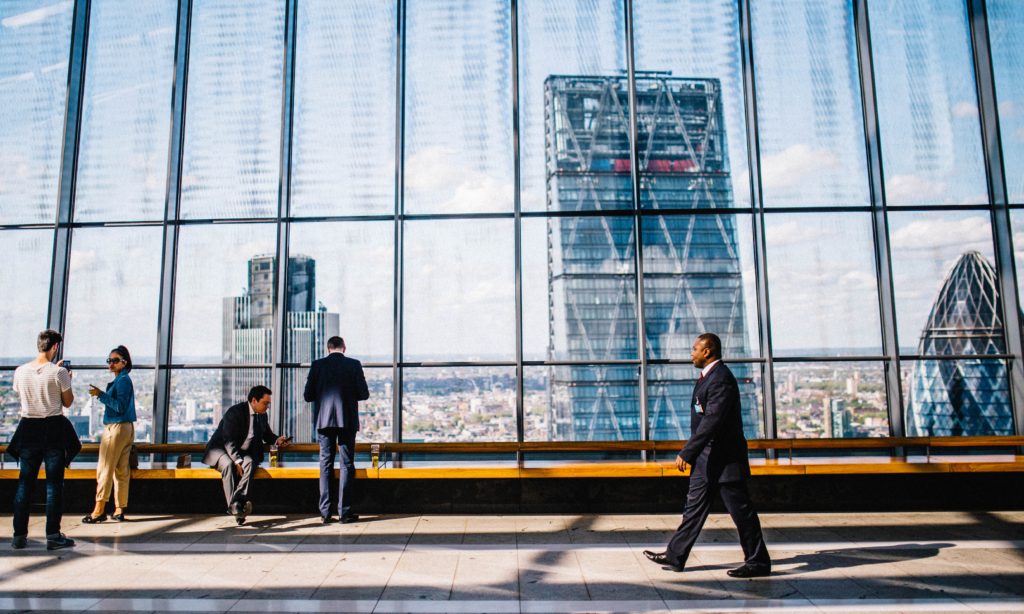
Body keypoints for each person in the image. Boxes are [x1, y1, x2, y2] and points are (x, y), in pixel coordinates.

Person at [643, 333, 772, 577]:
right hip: (707, 461)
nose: (691, 353)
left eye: (694, 349)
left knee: (741, 513)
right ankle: (675, 555)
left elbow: (712, 421)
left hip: (724, 461)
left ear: (708, 351)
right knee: (693, 509)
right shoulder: (708, 378)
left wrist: (688, 451)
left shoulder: (720, 379)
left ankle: (758, 562)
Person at [8, 329, 79, 550]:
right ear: (55, 347)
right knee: (54, 485)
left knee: (24, 484)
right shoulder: (59, 373)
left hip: (28, 428)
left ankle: (19, 535)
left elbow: (21, 392)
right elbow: (67, 402)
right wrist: (66, 378)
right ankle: (53, 535)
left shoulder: (20, 372)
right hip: (52, 429)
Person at [303, 336, 369, 524]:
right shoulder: (354, 365)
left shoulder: (317, 365)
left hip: (324, 420)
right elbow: (364, 394)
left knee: (325, 463)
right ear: (344, 348)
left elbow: (308, 396)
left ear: (328, 348)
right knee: (347, 464)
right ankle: (345, 512)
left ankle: (325, 512)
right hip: (346, 419)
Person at [203, 385, 290, 525]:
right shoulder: (235, 412)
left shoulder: (262, 415)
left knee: (250, 463)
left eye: (268, 403)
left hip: (242, 452)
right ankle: (237, 508)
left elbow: (266, 434)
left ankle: (236, 504)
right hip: (221, 450)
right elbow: (228, 440)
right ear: (254, 400)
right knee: (229, 465)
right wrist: (237, 460)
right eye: (265, 403)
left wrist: (277, 439)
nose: (267, 406)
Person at [83, 345, 137, 524]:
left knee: (105, 468)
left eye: (115, 360)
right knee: (121, 469)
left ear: (124, 362)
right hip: (126, 428)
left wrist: (101, 395)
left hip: (116, 428)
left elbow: (119, 406)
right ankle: (119, 508)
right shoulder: (123, 380)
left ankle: (99, 509)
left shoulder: (122, 381)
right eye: (109, 360)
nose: (111, 364)